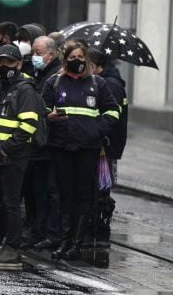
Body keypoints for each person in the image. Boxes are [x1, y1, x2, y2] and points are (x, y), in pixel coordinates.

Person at [41, 40, 119, 262]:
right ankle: (65, 240)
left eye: (80, 58)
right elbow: (42, 108)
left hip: (87, 147)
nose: (77, 62)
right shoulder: (54, 82)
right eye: (72, 58)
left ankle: (77, 243)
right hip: (61, 146)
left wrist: (97, 130)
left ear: (86, 59)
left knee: (84, 194)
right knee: (65, 193)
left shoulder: (98, 83)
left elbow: (113, 111)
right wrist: (49, 116)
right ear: (65, 60)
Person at [0, 44, 44, 270]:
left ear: (19, 64)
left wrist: (5, 150)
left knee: (12, 203)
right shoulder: (2, 87)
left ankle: (12, 250)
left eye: (9, 61)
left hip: (13, 157)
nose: (4, 65)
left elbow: (28, 126)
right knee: (2, 204)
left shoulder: (24, 90)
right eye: (1, 61)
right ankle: (3, 247)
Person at [89, 48, 128, 255]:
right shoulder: (108, 81)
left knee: (101, 190)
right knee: (99, 188)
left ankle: (100, 230)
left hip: (106, 147)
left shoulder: (110, 84)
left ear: (96, 65)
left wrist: (103, 140)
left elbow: (110, 118)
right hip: (106, 145)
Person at [25, 35, 62, 250]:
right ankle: (37, 230)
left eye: (37, 53)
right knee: (38, 190)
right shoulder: (38, 72)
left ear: (51, 54)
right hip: (38, 143)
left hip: (51, 143)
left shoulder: (55, 76)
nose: (34, 57)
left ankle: (51, 233)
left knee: (51, 190)